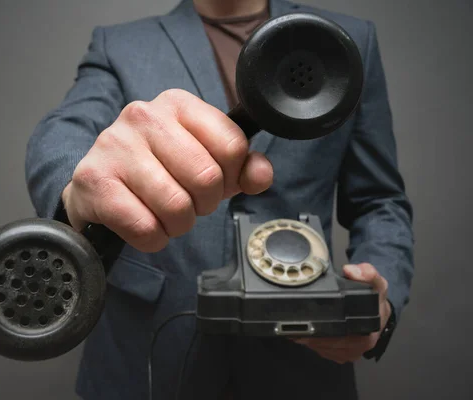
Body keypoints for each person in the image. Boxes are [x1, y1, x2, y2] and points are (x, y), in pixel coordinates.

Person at [25, 0, 414, 398]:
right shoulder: (120, 44)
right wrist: (79, 189)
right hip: (147, 357)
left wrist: (375, 305)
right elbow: (63, 132)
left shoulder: (351, 41)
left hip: (300, 364)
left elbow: (380, 200)